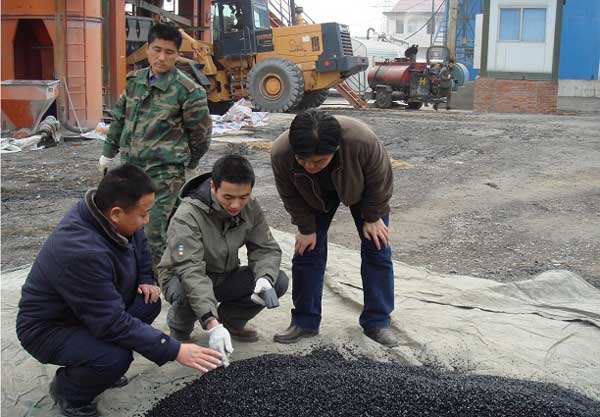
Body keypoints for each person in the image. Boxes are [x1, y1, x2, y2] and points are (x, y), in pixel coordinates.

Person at [16, 165, 222, 417]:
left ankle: (97, 366)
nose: (147, 220)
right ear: (115, 213)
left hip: (87, 310)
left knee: (148, 302)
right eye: (143, 214)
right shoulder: (82, 252)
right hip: (49, 328)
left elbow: (140, 243)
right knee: (116, 358)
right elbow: (111, 322)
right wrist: (175, 349)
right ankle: (68, 391)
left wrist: (146, 277)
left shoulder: (110, 217)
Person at [270, 109, 398, 347]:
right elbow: (289, 194)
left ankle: (377, 321)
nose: (310, 166)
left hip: (362, 190)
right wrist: (306, 228)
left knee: (377, 247)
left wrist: (373, 216)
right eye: (303, 160)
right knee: (307, 251)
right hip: (312, 196)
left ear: (336, 148)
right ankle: (305, 321)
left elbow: (380, 179)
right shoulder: (281, 152)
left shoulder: (361, 141)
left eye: (319, 161)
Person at [99, 23, 213, 268]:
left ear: (177, 54)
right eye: (156, 50)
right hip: (131, 172)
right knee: (126, 226)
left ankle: (158, 282)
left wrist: (188, 163)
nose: (161, 57)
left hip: (165, 175)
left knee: (153, 233)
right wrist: (108, 153)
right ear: (147, 49)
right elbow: (119, 119)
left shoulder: (188, 91)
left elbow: (201, 135)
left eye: (169, 52)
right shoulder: (135, 81)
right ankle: (135, 275)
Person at [158, 154, 288, 364]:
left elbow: (265, 248)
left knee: (277, 281)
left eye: (243, 197)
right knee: (185, 291)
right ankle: (180, 331)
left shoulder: (250, 207)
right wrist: (211, 324)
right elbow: (190, 270)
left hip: (225, 273)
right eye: (228, 197)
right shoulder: (187, 216)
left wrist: (264, 278)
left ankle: (231, 320)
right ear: (213, 186)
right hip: (182, 276)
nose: (236, 204)